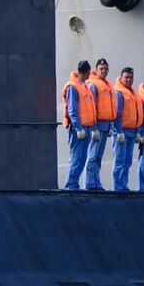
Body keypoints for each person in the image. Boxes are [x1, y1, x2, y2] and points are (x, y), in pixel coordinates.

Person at [61, 60, 97, 190]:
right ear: (87, 72)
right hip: (78, 129)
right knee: (76, 158)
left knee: (82, 159)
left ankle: (74, 184)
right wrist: (78, 128)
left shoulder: (84, 87)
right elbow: (72, 110)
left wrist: (92, 127)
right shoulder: (73, 87)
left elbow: (89, 110)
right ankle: (71, 186)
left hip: (86, 128)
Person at [84, 58, 114, 191]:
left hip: (105, 126)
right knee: (92, 156)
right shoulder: (93, 85)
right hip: (96, 126)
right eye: (101, 69)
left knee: (98, 156)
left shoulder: (106, 85)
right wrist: (94, 127)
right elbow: (91, 107)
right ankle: (90, 183)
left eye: (106, 69)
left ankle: (96, 181)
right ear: (95, 70)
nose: (104, 71)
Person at [111, 66, 140, 192]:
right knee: (119, 160)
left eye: (131, 77)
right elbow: (117, 114)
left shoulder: (133, 93)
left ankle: (123, 185)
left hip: (131, 132)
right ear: (121, 77)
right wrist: (118, 131)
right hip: (122, 132)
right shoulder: (119, 93)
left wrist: (137, 131)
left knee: (127, 161)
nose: (129, 80)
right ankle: (117, 186)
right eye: (126, 77)